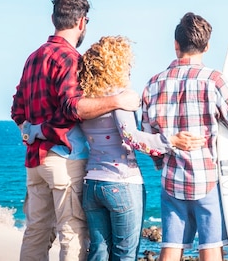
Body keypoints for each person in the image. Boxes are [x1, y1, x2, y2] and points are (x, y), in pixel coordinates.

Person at [10, 0, 140, 261]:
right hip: (63, 158)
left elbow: (17, 110)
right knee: (72, 232)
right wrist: (118, 100)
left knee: (36, 232)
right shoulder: (70, 59)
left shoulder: (33, 57)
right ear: (82, 22)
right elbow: (75, 107)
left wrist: (32, 132)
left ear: (53, 18)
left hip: (35, 162)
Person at [140, 12, 228, 261]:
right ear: (207, 46)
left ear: (176, 45)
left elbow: (149, 139)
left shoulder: (153, 84)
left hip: (171, 180)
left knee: (170, 247)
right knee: (210, 248)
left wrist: (162, 163)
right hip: (207, 179)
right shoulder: (213, 80)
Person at [74, 35, 205, 261]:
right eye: (127, 63)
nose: (129, 68)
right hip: (122, 183)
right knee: (124, 255)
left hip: (92, 184)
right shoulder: (119, 97)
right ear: (116, 63)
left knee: (98, 252)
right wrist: (170, 141)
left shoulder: (88, 100)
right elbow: (132, 137)